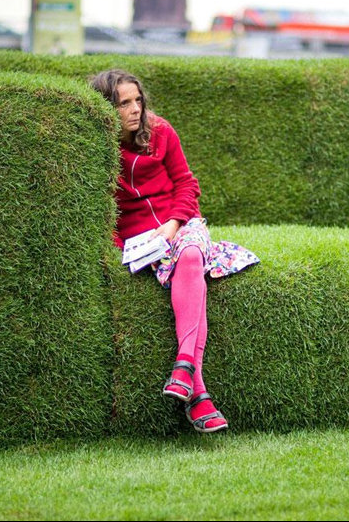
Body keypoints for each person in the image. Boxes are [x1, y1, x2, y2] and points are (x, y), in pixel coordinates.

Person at [90, 69, 259, 434]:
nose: (135, 109)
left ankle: (184, 365)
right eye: (124, 103)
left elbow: (186, 183)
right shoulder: (96, 149)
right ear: (106, 108)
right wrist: (131, 245)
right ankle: (197, 393)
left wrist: (173, 224)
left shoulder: (161, 131)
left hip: (180, 224)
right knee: (190, 265)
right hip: (139, 241)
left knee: (192, 256)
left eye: (138, 100)